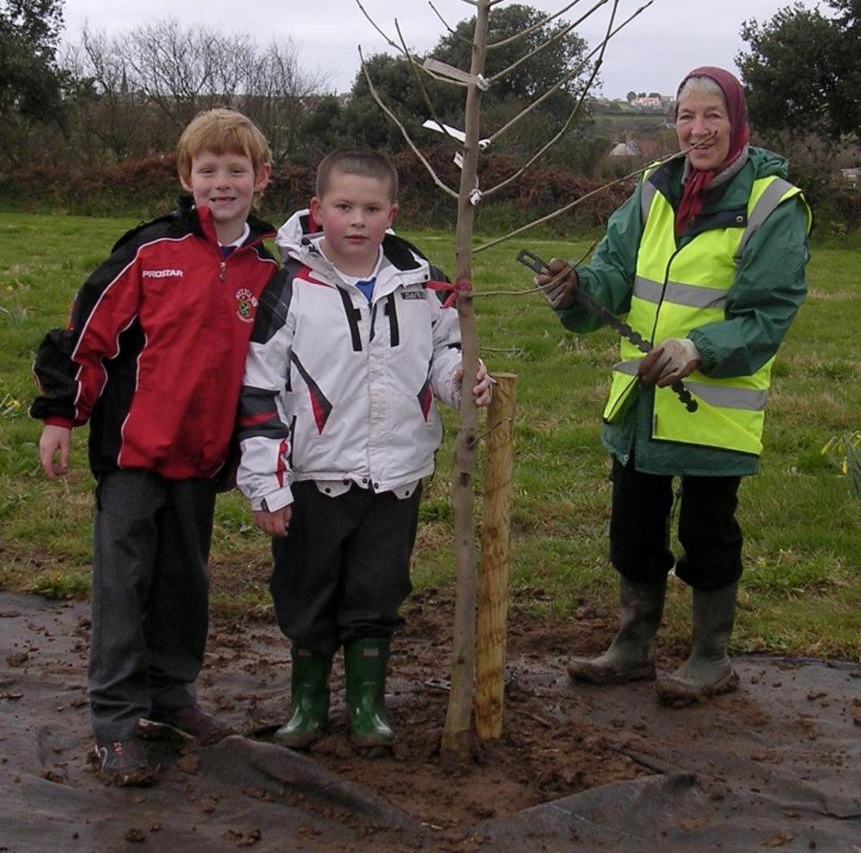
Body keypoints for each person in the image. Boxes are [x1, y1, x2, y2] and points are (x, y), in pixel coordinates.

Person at [537, 67, 811, 705]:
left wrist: (697, 349)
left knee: (709, 533)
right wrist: (577, 290)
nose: (698, 129)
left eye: (713, 115)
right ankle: (633, 648)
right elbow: (613, 271)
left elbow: (767, 314)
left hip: (715, 406)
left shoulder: (773, 204)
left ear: (737, 122)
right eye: (686, 116)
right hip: (642, 401)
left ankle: (711, 658)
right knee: (634, 527)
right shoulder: (653, 190)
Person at [31, 108, 279, 785]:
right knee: (124, 584)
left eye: (236, 170)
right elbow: (88, 335)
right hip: (133, 455)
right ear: (186, 176)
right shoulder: (149, 250)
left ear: (260, 178)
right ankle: (115, 720)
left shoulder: (267, 271)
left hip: (202, 458)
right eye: (208, 169)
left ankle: (171, 695)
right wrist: (61, 416)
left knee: (183, 582)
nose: (222, 182)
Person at [236, 149, 491, 749]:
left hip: (396, 475)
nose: (357, 220)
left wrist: (461, 379)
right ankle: (308, 704)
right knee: (307, 589)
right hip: (314, 476)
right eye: (343, 207)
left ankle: (366, 705)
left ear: (391, 214)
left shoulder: (422, 283)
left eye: (372, 209)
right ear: (317, 209)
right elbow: (259, 389)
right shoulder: (290, 286)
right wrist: (266, 484)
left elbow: (444, 352)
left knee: (377, 589)